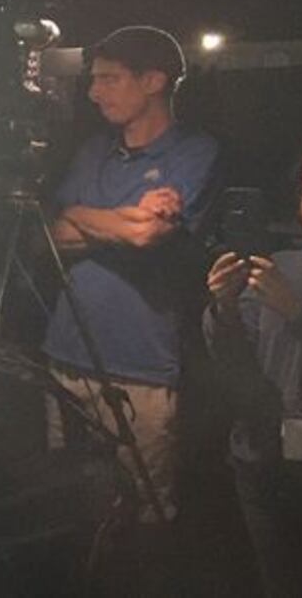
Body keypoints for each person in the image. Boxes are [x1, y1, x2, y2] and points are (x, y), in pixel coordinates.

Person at [42, 27, 218, 555]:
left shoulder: (195, 151)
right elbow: (48, 236)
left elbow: (147, 235)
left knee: (143, 521)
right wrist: (110, 219)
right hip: (66, 357)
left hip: (142, 367)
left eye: (109, 79)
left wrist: (84, 219)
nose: (95, 92)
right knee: (71, 511)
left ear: (154, 80)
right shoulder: (95, 150)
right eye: (94, 80)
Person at [203, 130, 302, 597]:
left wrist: (297, 314)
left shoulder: (283, 284)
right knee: (278, 584)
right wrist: (223, 307)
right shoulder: (279, 267)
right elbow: (232, 358)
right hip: (264, 460)